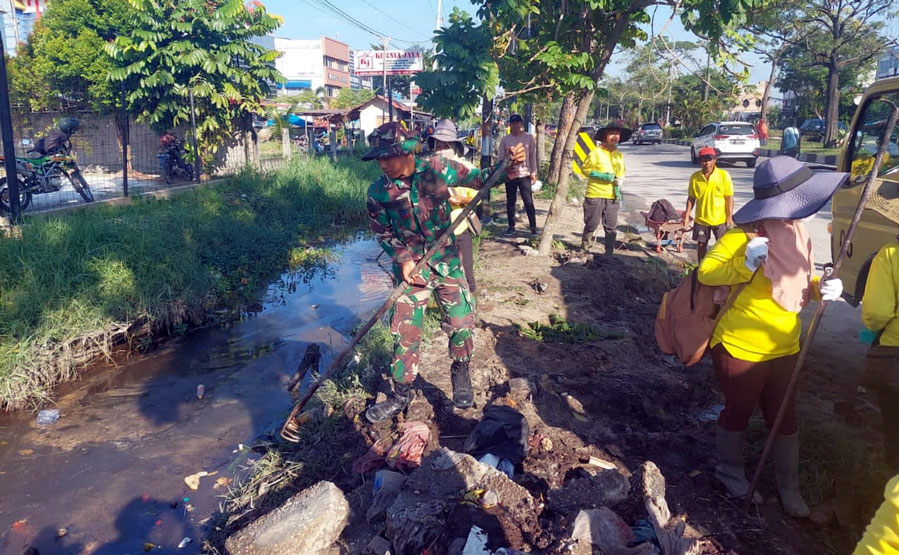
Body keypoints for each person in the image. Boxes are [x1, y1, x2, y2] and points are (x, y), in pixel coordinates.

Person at [697, 156, 847, 516]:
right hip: (740, 346)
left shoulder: (797, 233)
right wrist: (745, 262)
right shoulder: (744, 235)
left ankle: (789, 486)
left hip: (786, 346)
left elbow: (803, 277)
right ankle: (730, 473)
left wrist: (824, 286)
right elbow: (706, 273)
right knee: (739, 411)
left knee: (784, 416)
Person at [363, 122, 525, 423]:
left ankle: (460, 370)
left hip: (446, 259)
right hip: (413, 270)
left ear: (408, 152)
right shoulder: (378, 192)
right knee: (405, 333)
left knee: (462, 322)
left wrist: (509, 163)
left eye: (389, 156)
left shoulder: (437, 168)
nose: (383, 164)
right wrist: (403, 259)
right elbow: (382, 232)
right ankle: (401, 394)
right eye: (379, 158)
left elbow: (482, 180)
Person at [428, 119, 480, 293]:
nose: (442, 150)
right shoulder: (428, 170)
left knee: (466, 270)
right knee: (440, 273)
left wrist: (459, 199)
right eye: (439, 145)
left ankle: (470, 308)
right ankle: (448, 310)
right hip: (436, 232)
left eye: (446, 145)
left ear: (455, 147)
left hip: (459, 228)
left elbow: (477, 196)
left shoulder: (466, 168)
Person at [861, 240, 899, 472]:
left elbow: (876, 312)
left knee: (895, 426)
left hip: (895, 351)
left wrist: (873, 328)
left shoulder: (890, 254)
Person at [581, 124, 630, 256]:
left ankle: (609, 253)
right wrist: (601, 176)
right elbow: (585, 170)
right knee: (592, 223)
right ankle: (584, 249)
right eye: (611, 134)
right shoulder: (596, 152)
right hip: (595, 193)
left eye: (617, 134)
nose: (615, 137)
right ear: (605, 136)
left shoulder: (619, 155)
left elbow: (621, 172)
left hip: (612, 195)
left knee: (611, 226)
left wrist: (620, 181)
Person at [683, 147, 734, 261]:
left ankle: (721, 271)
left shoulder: (723, 175)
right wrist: (686, 217)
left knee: (722, 247)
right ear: (700, 161)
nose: (707, 163)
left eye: (710, 160)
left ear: (715, 160)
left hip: (719, 220)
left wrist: (729, 217)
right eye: (704, 160)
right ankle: (701, 271)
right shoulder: (695, 177)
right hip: (701, 219)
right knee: (701, 247)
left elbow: (729, 197)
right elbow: (691, 198)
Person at [499, 114, 539, 236]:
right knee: (511, 201)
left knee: (528, 201)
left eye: (517, 123)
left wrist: (533, 172)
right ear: (510, 125)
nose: (515, 125)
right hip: (510, 174)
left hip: (524, 174)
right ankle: (511, 226)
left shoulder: (528, 138)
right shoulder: (505, 140)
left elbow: (532, 155)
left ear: (521, 124)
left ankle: (533, 227)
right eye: (513, 123)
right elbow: (500, 159)